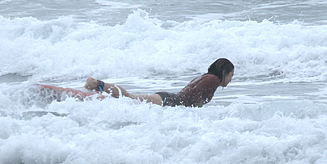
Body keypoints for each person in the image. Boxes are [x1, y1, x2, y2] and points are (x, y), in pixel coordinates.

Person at [84, 58, 234, 107]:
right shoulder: (213, 79)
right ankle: (97, 83)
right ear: (224, 72)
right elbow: (195, 94)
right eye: (231, 75)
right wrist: (197, 110)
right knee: (130, 98)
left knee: (131, 100)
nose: (231, 79)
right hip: (170, 101)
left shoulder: (208, 78)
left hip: (171, 101)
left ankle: (100, 93)